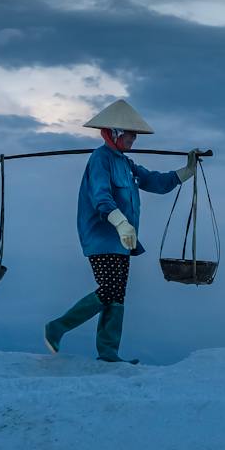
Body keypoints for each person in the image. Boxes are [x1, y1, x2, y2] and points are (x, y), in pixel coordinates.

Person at [43, 99, 198, 363]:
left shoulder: (126, 164)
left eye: (135, 134)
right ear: (114, 133)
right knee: (109, 288)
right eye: (130, 134)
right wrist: (121, 222)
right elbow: (100, 197)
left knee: (117, 292)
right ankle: (57, 327)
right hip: (102, 236)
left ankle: (108, 353)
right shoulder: (100, 159)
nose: (134, 138)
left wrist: (187, 171)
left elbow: (154, 181)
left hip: (124, 240)